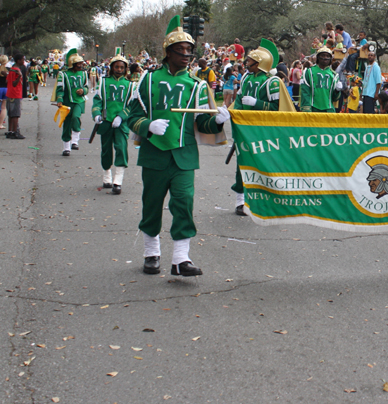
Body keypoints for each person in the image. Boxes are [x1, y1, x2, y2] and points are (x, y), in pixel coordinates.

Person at [125, 15, 230, 277]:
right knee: (151, 204)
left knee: (184, 203)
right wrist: (147, 126)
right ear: (167, 53)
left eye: (189, 51)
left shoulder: (197, 85)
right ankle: (151, 252)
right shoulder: (147, 81)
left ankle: (180, 259)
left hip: (184, 155)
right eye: (180, 50)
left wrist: (216, 122)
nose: (186, 55)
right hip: (154, 154)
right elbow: (132, 116)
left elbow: (201, 124)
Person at [231, 40, 286, 215]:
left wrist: (257, 103)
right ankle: (241, 201)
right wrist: (235, 115)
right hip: (245, 128)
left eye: (250, 61)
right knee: (242, 165)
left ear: (259, 63)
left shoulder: (272, 82)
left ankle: (269, 199)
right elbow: (239, 100)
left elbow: (278, 109)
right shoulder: (246, 78)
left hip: (263, 130)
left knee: (265, 165)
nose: (246, 64)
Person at [91, 48, 133, 194]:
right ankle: (107, 176)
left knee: (121, 149)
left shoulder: (130, 85)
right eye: (117, 67)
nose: (119, 69)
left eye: (122, 67)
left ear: (125, 69)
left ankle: (118, 181)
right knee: (106, 149)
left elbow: (131, 105)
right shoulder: (103, 83)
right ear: (111, 68)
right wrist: (96, 114)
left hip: (121, 123)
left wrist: (122, 116)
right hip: (106, 122)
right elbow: (97, 101)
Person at [56, 49, 88, 155]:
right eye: (78, 63)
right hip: (67, 101)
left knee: (75, 117)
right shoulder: (63, 74)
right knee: (67, 123)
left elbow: (87, 87)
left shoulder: (84, 74)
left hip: (79, 101)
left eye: (81, 63)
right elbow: (60, 89)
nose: (81, 65)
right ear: (72, 64)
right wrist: (60, 100)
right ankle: (66, 147)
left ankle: (75, 141)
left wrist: (83, 91)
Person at [300, 46, 342, 112]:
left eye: (327, 56)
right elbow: (305, 92)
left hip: (329, 109)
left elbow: (334, 98)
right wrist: (307, 108)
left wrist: (337, 91)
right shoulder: (308, 71)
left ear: (330, 59)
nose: (325, 58)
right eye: (323, 55)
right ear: (318, 58)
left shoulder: (334, 75)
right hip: (313, 108)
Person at [6, 54, 25, 139]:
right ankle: (15, 132)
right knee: (15, 114)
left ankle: (10, 131)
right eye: (22, 60)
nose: (23, 61)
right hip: (15, 93)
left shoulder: (11, 70)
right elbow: (14, 83)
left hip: (9, 93)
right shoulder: (17, 71)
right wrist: (20, 76)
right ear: (18, 60)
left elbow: (7, 81)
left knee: (10, 113)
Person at [361, 48, 382, 114]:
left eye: (371, 55)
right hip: (366, 93)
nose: (370, 56)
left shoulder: (376, 67)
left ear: (374, 57)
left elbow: (378, 81)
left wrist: (376, 93)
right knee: (365, 112)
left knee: (369, 112)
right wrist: (362, 92)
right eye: (369, 55)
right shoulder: (367, 67)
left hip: (371, 94)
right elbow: (365, 81)